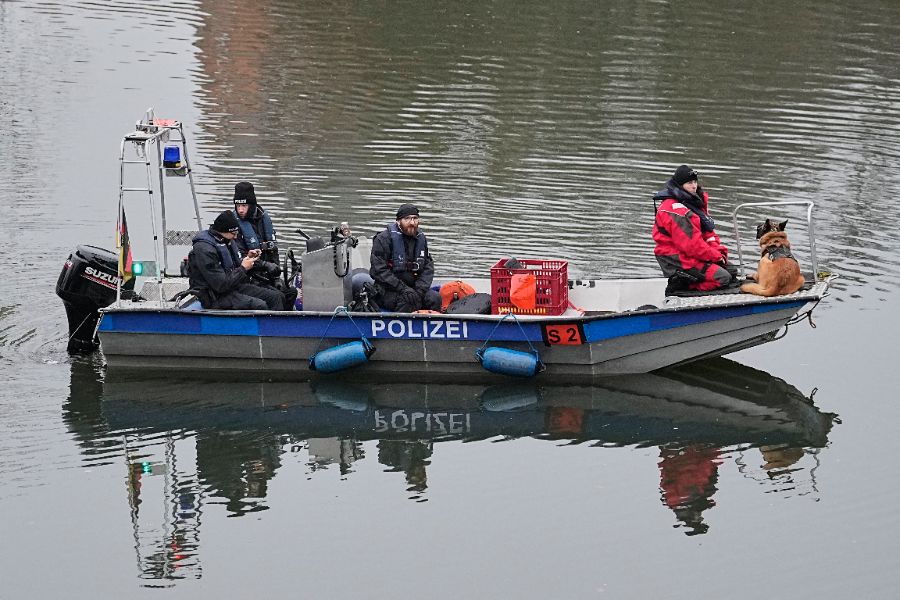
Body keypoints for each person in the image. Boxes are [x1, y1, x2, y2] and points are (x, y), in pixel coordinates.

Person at [652, 165, 738, 292]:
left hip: (691, 253)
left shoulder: (694, 202)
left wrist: (719, 252)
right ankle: (682, 288)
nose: (694, 186)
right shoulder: (676, 211)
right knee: (723, 278)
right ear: (680, 185)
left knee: (732, 271)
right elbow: (692, 246)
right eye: (689, 183)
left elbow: (708, 234)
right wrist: (715, 256)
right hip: (676, 258)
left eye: (695, 182)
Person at [188, 210, 286, 310]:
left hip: (233, 287)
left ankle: (279, 325)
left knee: (276, 297)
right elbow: (220, 285)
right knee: (260, 306)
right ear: (223, 231)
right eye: (233, 234)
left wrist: (248, 258)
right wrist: (243, 268)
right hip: (214, 296)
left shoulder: (227, 240)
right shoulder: (205, 249)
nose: (235, 237)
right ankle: (262, 325)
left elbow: (232, 267)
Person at [231, 181, 297, 310]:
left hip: (268, 275)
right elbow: (239, 257)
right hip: (249, 277)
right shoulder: (234, 225)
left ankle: (288, 324)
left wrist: (277, 277)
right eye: (238, 206)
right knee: (278, 297)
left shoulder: (264, 219)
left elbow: (273, 249)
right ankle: (274, 326)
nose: (240, 210)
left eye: (244, 205)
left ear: (252, 204)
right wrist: (265, 265)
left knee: (291, 292)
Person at [369, 203, 442, 312]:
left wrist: (419, 291)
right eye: (407, 219)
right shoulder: (383, 239)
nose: (412, 223)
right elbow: (378, 270)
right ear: (398, 221)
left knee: (434, 298)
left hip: (415, 288)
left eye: (415, 218)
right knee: (408, 301)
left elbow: (428, 267)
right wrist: (402, 288)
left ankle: (430, 326)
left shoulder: (421, 239)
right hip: (388, 290)